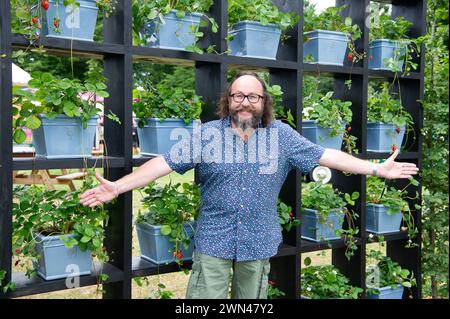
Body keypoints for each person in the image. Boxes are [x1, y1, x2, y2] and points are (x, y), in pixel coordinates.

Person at [79, 71, 419, 299]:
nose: (245, 101)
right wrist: (119, 187)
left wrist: (376, 170)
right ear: (228, 100)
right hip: (214, 240)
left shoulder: (282, 136)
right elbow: (162, 163)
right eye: (239, 95)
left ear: (263, 102)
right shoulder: (207, 134)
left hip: (258, 241)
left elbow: (327, 155)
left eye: (253, 96)